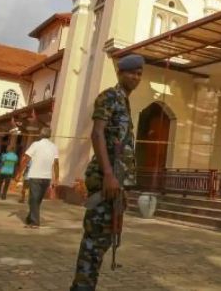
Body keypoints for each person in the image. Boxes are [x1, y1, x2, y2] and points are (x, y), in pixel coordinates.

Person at [72, 54, 143, 290]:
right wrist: (110, 175)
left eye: (139, 73)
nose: (136, 77)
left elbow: (118, 144)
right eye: (132, 72)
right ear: (120, 73)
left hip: (115, 181)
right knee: (94, 241)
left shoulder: (124, 102)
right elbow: (97, 133)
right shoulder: (109, 97)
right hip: (105, 179)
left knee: (104, 240)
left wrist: (121, 185)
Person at [22, 127, 59, 228]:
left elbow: (26, 158)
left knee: (34, 199)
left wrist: (19, 172)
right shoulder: (54, 147)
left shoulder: (35, 144)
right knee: (37, 200)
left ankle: (35, 222)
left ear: (41, 134)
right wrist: (57, 177)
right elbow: (56, 163)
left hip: (35, 176)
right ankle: (30, 218)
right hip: (47, 178)